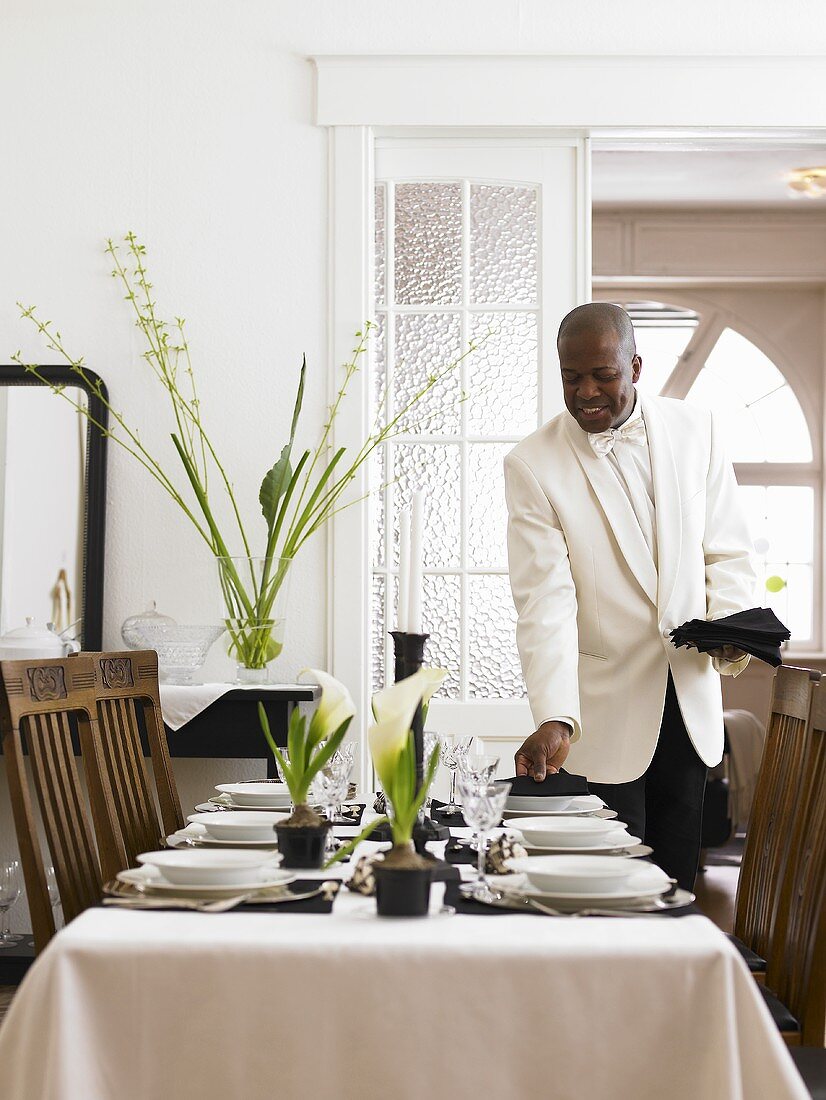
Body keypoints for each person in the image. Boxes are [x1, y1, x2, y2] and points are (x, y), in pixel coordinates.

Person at [503, 302, 756, 891]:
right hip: (602, 717)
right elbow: (544, 602)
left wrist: (730, 634)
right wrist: (556, 716)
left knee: (676, 885)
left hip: (690, 701)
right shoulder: (532, 465)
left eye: (603, 375)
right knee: (605, 890)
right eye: (571, 377)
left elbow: (728, 552)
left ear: (635, 366)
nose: (586, 391)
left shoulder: (700, 431)